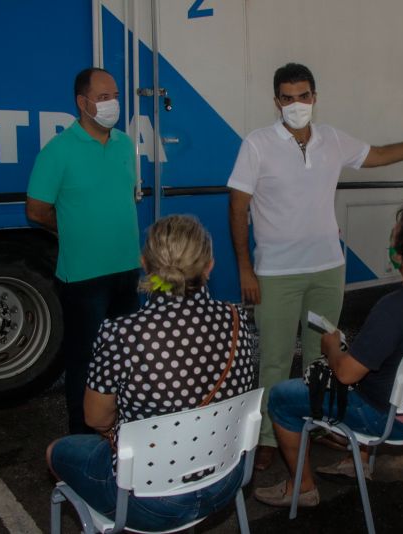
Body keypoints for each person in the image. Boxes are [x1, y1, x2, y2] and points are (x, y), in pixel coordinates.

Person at [227, 62, 403, 470]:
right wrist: (245, 268)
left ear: (314, 97)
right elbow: (237, 206)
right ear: (276, 101)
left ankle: (321, 424)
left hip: (327, 269)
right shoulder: (257, 143)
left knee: (322, 357)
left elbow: (383, 154)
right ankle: (267, 436)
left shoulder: (332, 140)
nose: (295, 104)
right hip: (276, 273)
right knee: (275, 359)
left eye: (303, 96)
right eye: (287, 97)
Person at [46, 215, 255, 531]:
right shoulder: (239, 321)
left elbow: (96, 418)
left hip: (149, 502)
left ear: (145, 264)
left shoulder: (121, 333)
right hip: (225, 482)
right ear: (209, 266)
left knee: (56, 452)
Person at [252, 199, 403, 507]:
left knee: (282, 397)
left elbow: (346, 373)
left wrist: (332, 346)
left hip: (385, 420)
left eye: (394, 238)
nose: (390, 242)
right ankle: (357, 463)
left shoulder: (394, 307)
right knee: (375, 373)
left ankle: (302, 488)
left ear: (402, 257)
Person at [26, 67, 141, 434]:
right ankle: (83, 438)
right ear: (82, 102)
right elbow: (37, 210)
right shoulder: (58, 151)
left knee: (125, 359)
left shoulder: (124, 144)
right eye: (104, 97)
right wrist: (74, 230)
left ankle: (121, 429)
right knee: (86, 362)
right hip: (84, 279)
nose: (113, 104)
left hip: (127, 272)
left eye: (116, 96)